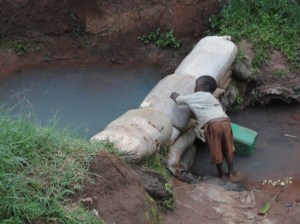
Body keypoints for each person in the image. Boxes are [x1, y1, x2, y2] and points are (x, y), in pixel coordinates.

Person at [170, 75, 235, 179]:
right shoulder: (212, 98)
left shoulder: (197, 96)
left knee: (216, 149)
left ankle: (221, 175)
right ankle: (231, 172)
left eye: (196, 86)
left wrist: (175, 96)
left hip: (213, 125)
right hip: (225, 122)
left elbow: (179, 100)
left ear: (203, 89)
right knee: (228, 147)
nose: (194, 89)